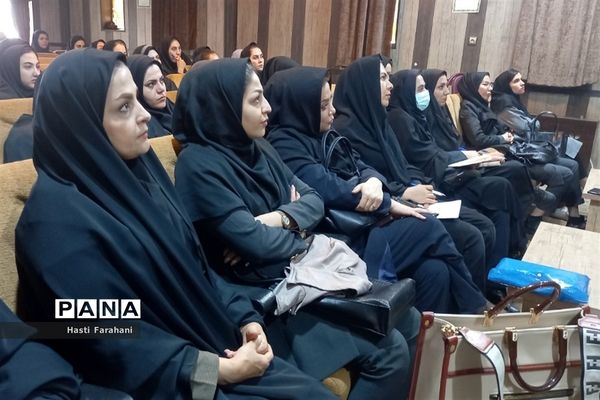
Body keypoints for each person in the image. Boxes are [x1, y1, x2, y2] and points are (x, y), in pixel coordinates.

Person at [16, 48, 338, 399]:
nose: (144, 115)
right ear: (81, 124)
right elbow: (102, 331)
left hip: (209, 341)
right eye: (124, 107)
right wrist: (212, 370)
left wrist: (245, 318)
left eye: (136, 100)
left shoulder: (141, 174)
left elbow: (196, 267)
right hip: (158, 378)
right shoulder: (54, 222)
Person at [173, 58, 414, 400]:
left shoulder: (258, 146)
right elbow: (257, 244)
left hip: (299, 273)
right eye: (255, 99)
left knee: (409, 317)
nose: (268, 108)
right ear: (222, 106)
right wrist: (297, 229)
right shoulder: (198, 165)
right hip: (263, 296)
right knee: (391, 352)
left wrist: (277, 218)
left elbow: (314, 201)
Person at [265, 65, 487, 312]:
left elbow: (362, 165)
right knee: (429, 225)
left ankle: (436, 333)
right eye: (324, 105)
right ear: (300, 107)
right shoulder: (284, 143)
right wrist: (388, 202)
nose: (333, 110)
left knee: (435, 271)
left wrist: (373, 182)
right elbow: (328, 189)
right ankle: (476, 311)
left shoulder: (322, 133)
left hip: (365, 224)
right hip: (339, 241)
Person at [332, 55, 492, 293]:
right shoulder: (346, 130)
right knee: (471, 237)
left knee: (479, 225)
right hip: (387, 210)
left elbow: (403, 165)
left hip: (408, 195)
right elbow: (361, 179)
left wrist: (418, 185)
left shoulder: (380, 121)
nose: (390, 85)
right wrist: (405, 192)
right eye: (382, 78)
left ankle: (479, 296)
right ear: (364, 84)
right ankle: (474, 303)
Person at [387, 69, 527, 271]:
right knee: (498, 194)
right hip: (438, 181)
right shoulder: (401, 118)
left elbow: (448, 146)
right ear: (407, 91)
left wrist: (475, 156)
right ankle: (504, 261)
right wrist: (473, 156)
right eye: (423, 88)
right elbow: (428, 157)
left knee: (502, 193)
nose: (445, 91)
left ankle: (504, 262)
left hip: (448, 174)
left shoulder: (422, 114)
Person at [460, 71, 584, 230]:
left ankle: (565, 212)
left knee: (572, 162)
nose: (490, 88)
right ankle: (535, 217)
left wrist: (508, 137)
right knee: (565, 172)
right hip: (501, 155)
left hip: (514, 149)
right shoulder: (475, 107)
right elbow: (479, 139)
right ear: (473, 87)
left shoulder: (486, 104)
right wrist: (504, 138)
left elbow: (519, 128)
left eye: (491, 84)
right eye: (485, 84)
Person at [422, 68, 537, 235]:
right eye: (441, 87)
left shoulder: (444, 110)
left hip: (466, 164)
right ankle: (522, 226)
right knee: (506, 182)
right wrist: (480, 155)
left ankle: (520, 229)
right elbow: (438, 154)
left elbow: (456, 143)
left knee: (509, 181)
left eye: (447, 86)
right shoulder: (464, 109)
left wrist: (480, 156)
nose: (447, 91)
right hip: (451, 175)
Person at [128, 55, 173, 137]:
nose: (161, 89)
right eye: (151, 84)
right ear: (136, 90)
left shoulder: (174, 109)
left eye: (162, 80)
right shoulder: (140, 130)